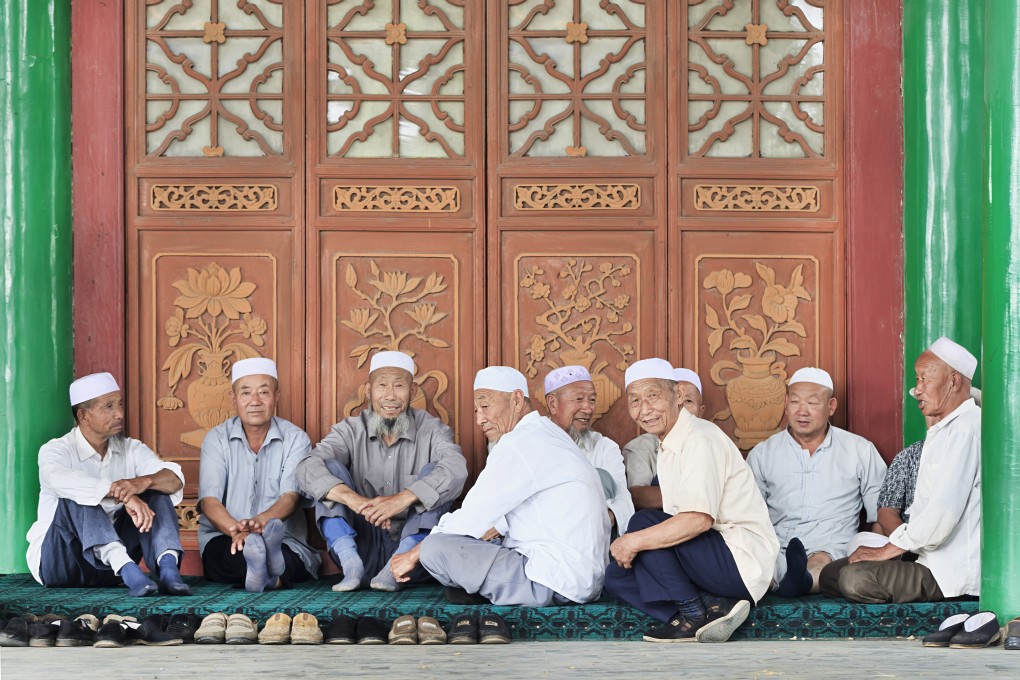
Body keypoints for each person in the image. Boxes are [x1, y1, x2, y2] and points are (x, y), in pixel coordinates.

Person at [391, 366, 609, 606]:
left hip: (553, 581)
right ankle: (478, 588)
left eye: (485, 407)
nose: (479, 419)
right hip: (582, 578)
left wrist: (412, 555)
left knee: (435, 548)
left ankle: (479, 589)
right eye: (476, 410)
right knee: (483, 541)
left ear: (516, 400)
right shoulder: (546, 433)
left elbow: (472, 517)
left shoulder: (520, 443)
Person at [604, 359, 779, 643]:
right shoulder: (670, 442)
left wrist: (632, 541)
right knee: (617, 576)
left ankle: (691, 612)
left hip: (738, 562)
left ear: (677, 396)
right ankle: (709, 607)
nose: (644, 409)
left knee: (643, 523)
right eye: (635, 400)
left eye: (653, 396)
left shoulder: (699, 438)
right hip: (712, 560)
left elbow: (698, 520)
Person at [820, 337, 981, 603]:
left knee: (854, 579)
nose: (916, 390)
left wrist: (889, 549)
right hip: (920, 553)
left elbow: (943, 513)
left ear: (953, 381)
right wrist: (897, 547)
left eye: (923, 380)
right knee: (831, 574)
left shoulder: (966, 429)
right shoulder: (945, 429)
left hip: (946, 571)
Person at [296, 350, 467, 592]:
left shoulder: (431, 430)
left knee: (436, 473)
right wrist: (354, 501)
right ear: (368, 390)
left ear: (413, 391)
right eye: (382, 386)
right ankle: (351, 565)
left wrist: (402, 499)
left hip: (411, 558)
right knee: (326, 468)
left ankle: (393, 568)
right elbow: (306, 466)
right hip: (360, 544)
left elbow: (456, 468)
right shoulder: (351, 429)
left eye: (399, 386)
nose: (390, 396)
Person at [26, 372, 191, 597]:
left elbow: (174, 480)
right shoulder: (55, 450)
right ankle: (128, 569)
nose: (120, 414)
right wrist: (120, 493)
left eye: (120, 405)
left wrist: (143, 482)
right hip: (62, 564)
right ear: (83, 416)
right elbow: (58, 478)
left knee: (156, 489)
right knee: (77, 496)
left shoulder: (131, 448)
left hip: (110, 573)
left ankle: (169, 570)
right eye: (109, 407)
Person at [746, 367, 886, 597]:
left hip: (832, 545)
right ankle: (775, 580)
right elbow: (748, 513)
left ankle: (798, 582)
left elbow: (880, 512)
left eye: (812, 403)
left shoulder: (859, 450)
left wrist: (873, 553)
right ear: (785, 404)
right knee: (761, 566)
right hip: (776, 543)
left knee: (821, 563)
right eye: (795, 402)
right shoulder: (763, 454)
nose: (802, 411)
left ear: (831, 406)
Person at [198, 358, 320, 592]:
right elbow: (209, 501)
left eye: (264, 392)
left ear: (276, 396)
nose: (255, 401)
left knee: (294, 561)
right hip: (228, 535)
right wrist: (238, 531)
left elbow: (291, 497)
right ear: (234, 399)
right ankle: (273, 576)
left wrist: (262, 523)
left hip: (283, 538)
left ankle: (267, 567)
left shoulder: (296, 439)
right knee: (230, 558)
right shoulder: (217, 439)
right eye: (246, 393)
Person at [544, 365, 634, 536]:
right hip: (545, 537)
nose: (588, 409)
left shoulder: (605, 447)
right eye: (579, 399)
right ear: (553, 404)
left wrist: (604, 518)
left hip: (594, 534)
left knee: (601, 477)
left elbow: (623, 498)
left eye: (592, 400)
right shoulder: (531, 442)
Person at [623, 367, 704, 511]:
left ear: (701, 411)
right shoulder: (641, 447)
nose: (680, 407)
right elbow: (636, 495)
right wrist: (697, 497)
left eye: (689, 401)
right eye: (636, 400)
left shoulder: (709, 440)